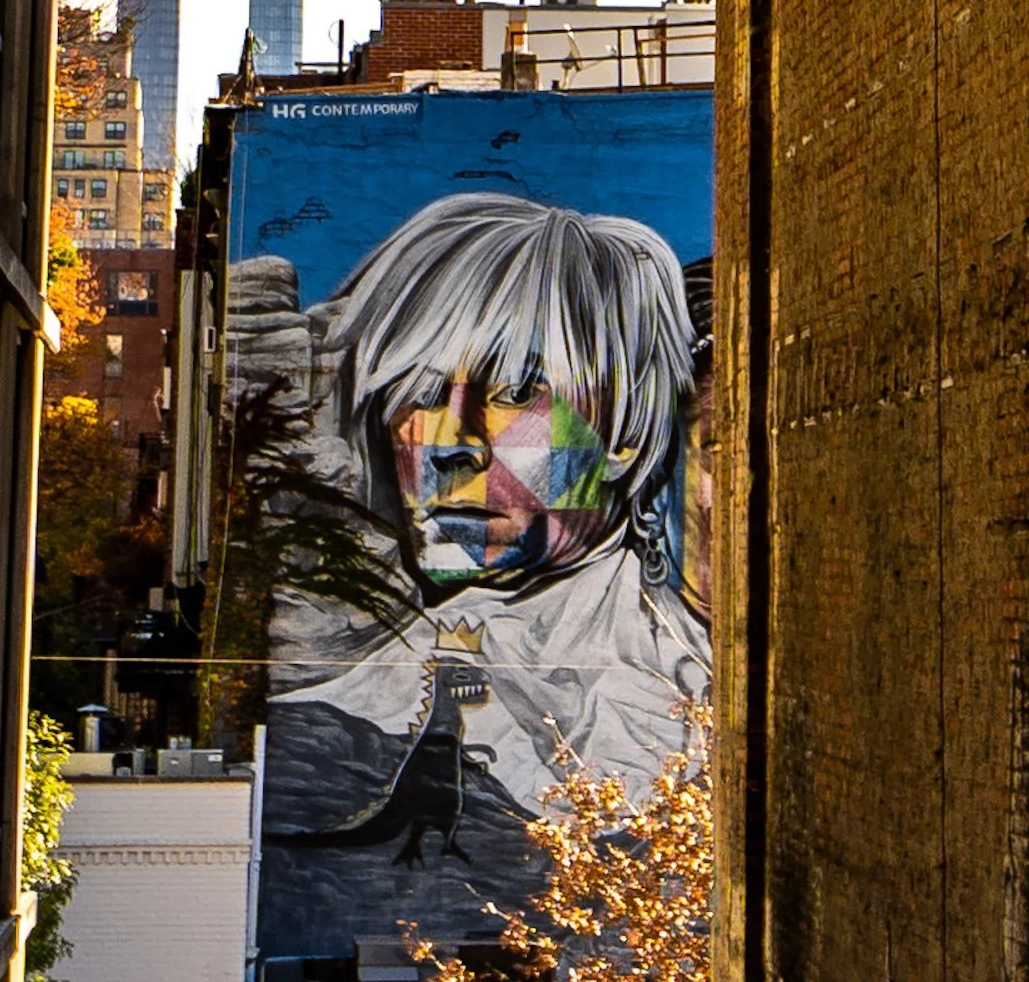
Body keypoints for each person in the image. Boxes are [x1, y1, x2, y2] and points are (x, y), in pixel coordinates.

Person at [272, 191, 708, 818]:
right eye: (421, 393)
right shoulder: (364, 687)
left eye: (515, 391)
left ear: (626, 430)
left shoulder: (694, 670)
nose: (452, 445)